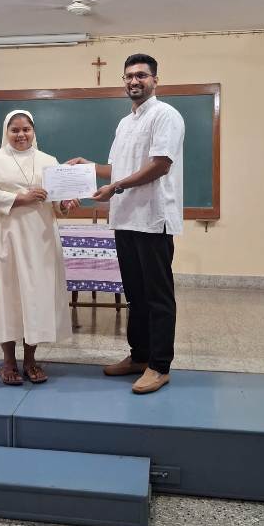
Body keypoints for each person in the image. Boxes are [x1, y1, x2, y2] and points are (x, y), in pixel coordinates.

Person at [69, 53, 184, 394]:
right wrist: (89, 167)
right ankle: (139, 356)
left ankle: (159, 366)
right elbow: (115, 169)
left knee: (158, 297)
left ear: (155, 80)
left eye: (141, 75)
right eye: (129, 76)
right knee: (135, 295)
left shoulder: (165, 115)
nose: (134, 81)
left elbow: (160, 165)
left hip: (153, 220)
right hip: (125, 219)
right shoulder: (125, 123)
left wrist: (116, 186)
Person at [0, 110, 78, 385]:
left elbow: (57, 202)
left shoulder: (48, 161)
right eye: (15, 130)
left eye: (26, 129)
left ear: (33, 131)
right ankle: (8, 361)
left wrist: (65, 204)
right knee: (7, 294)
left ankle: (30, 360)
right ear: (6, 131)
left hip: (40, 238)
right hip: (5, 236)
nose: (21, 135)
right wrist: (22, 198)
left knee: (35, 296)